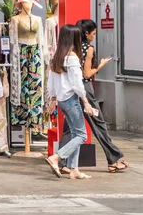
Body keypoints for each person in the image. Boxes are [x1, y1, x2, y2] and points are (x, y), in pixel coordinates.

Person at [59, 20, 129, 174]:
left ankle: (61, 163)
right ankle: (113, 159)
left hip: (71, 91)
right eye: (93, 34)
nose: (94, 37)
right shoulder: (88, 49)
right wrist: (101, 65)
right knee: (98, 124)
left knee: (69, 128)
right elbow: (86, 74)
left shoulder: (72, 49)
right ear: (86, 33)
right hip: (85, 90)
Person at [45, 25, 94, 180]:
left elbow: (51, 81)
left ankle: (74, 169)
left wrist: (53, 98)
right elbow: (77, 83)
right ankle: (57, 157)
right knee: (81, 135)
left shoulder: (57, 57)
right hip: (71, 99)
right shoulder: (72, 57)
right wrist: (85, 101)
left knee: (75, 133)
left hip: (62, 100)